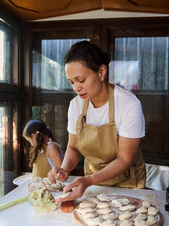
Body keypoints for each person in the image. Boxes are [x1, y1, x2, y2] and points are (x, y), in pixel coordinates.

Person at [48, 41, 146, 203]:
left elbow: (124, 158)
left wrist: (89, 180)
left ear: (101, 72)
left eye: (81, 80)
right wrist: (64, 170)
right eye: (72, 82)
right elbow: (73, 147)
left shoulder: (128, 104)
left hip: (127, 184)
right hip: (92, 185)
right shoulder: (76, 105)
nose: (76, 88)